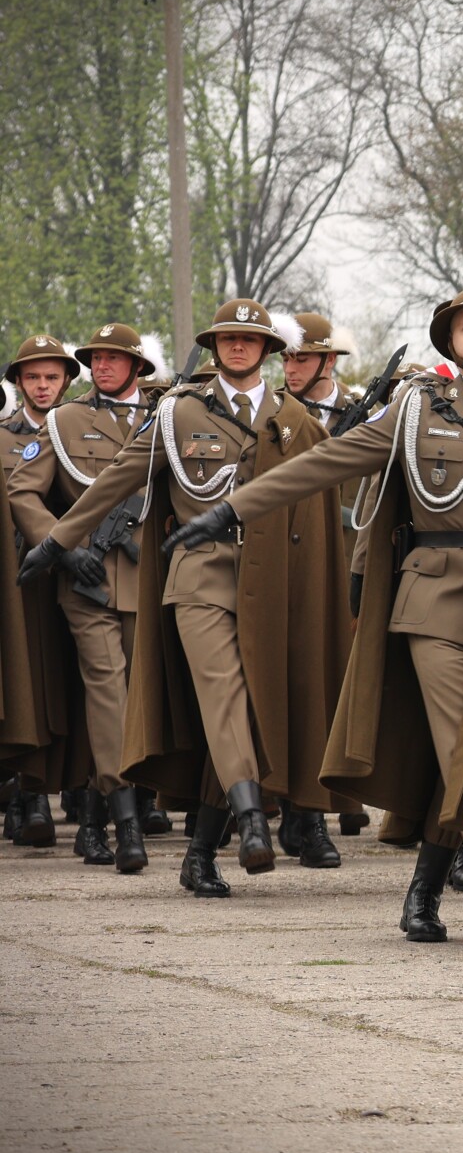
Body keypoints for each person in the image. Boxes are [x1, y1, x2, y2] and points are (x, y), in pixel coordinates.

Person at [164, 286, 463, 940]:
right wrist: (230, 510)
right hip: (432, 596)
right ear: (449, 340)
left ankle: (422, 893)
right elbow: (326, 460)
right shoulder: (415, 411)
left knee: (458, 758)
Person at [21, 300, 352, 898]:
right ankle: (251, 817)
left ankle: (199, 853)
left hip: (270, 579)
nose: (238, 348)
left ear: (270, 351)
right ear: (214, 345)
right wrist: (59, 540)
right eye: (226, 338)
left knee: (244, 711)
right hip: (198, 572)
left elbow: (321, 496)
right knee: (221, 691)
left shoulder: (296, 421)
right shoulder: (177, 413)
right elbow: (120, 475)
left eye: (250, 340)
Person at [9, 324, 161, 871]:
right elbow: (22, 489)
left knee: (140, 698)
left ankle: (96, 815)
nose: (102, 365)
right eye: (96, 358)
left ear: (136, 367)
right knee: (109, 692)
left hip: (148, 580)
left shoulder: (164, 418)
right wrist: (63, 548)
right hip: (87, 582)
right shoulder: (66, 420)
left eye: (114, 358)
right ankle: (126, 822)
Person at [277, 310, 372, 839]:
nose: (292, 369)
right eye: (287, 358)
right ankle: (300, 807)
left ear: (329, 361)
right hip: (297, 561)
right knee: (303, 682)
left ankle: (348, 793)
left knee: (350, 681)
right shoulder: (272, 416)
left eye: (304, 358)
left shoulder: (367, 413)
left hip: (352, 558)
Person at [0, 335, 82, 847]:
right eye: (33, 377)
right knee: (26, 684)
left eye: (52, 377)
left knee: (73, 684)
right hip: (18, 580)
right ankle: (28, 797)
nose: (43, 386)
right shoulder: (2, 437)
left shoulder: (81, 429)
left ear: (67, 380)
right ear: (18, 383)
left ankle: (85, 796)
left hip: (79, 573)